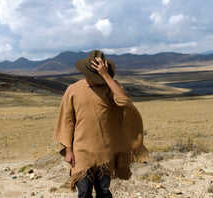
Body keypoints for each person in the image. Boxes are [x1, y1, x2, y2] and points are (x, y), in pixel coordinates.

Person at [53, 50, 148, 198]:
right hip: (81, 151)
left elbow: (125, 101)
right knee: (84, 192)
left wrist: (105, 76)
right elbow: (67, 122)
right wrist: (68, 150)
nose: (95, 79)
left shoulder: (109, 89)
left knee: (103, 191)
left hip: (105, 151)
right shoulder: (73, 90)